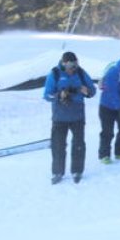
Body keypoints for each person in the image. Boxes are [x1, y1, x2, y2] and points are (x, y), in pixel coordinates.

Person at [42, 51, 96, 184]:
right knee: (58, 145)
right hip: (59, 117)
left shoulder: (81, 73)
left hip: (77, 116)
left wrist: (87, 91)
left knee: (78, 144)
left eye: (76, 64)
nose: (73, 68)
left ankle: (77, 171)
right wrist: (59, 95)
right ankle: (57, 172)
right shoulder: (54, 74)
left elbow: (92, 91)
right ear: (64, 63)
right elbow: (46, 95)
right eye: (71, 65)